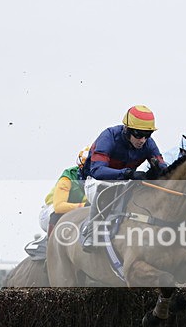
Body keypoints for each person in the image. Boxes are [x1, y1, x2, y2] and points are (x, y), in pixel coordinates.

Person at [79, 105, 167, 250]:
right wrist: (128, 174)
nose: (143, 140)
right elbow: (97, 170)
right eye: (138, 134)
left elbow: (163, 167)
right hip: (95, 181)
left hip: (124, 181)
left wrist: (160, 170)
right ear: (127, 130)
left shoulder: (148, 143)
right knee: (106, 188)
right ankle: (91, 231)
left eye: (148, 135)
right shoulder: (108, 136)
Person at [38, 146, 89, 237]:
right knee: (56, 213)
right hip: (50, 212)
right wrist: (84, 206)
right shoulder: (68, 177)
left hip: (77, 213)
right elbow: (59, 207)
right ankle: (49, 245)